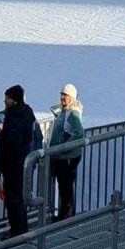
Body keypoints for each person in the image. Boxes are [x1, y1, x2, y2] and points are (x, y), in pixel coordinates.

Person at [0, 84, 36, 239]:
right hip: (17, 163)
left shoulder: (17, 119)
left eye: (8, 98)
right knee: (15, 198)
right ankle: (18, 229)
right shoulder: (21, 114)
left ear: (15, 100)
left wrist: (1, 157)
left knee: (14, 199)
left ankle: (18, 232)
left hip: (13, 165)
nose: (5, 101)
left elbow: (13, 144)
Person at [49, 83, 84, 222]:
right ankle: (65, 215)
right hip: (63, 156)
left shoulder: (73, 113)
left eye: (66, 95)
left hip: (67, 157)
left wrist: (65, 147)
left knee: (66, 186)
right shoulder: (66, 111)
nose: (62, 97)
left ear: (72, 98)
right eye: (61, 94)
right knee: (64, 185)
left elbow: (79, 133)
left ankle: (66, 217)